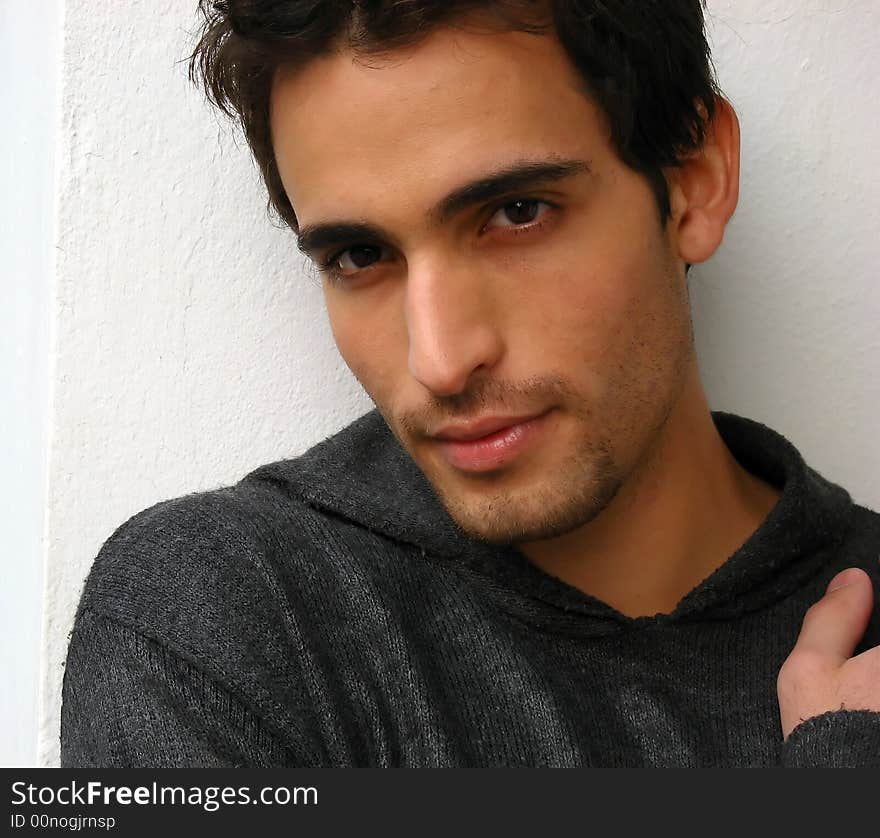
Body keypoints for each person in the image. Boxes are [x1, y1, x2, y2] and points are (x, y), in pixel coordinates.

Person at [60, 0, 880, 767]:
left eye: (518, 212)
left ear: (695, 179)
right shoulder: (221, 621)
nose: (441, 360)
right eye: (359, 256)